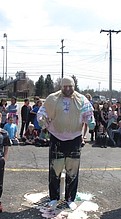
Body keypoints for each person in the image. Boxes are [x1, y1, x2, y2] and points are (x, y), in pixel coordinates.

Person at [37, 76, 95, 210]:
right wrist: (41, 119)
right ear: (61, 86)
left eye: (70, 86)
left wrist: (91, 121)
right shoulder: (53, 98)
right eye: (65, 86)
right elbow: (43, 111)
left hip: (74, 138)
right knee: (55, 170)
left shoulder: (81, 99)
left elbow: (88, 113)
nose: (68, 89)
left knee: (72, 170)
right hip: (56, 138)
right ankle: (53, 198)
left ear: (74, 86)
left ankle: (70, 198)